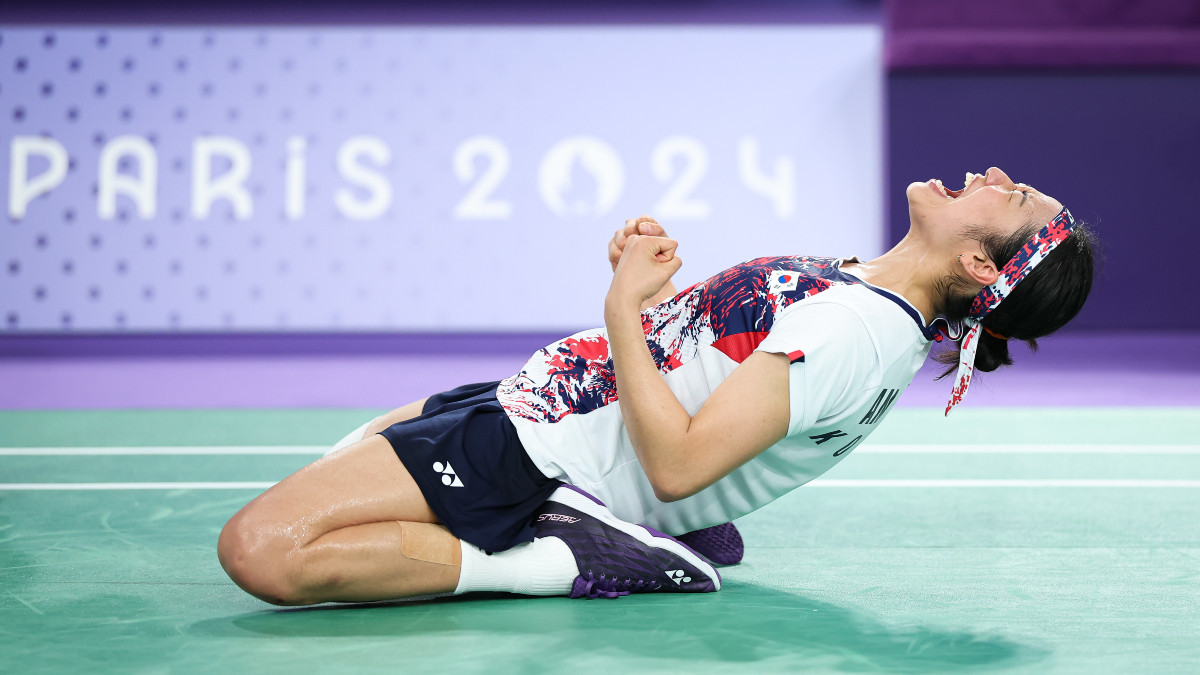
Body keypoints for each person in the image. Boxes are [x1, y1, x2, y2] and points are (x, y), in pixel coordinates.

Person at [217, 166, 1096, 605]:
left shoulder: (853, 332)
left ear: (980, 262)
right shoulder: (868, 303)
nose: (988, 172)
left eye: (1008, 192)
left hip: (543, 449)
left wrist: (622, 306)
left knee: (263, 548)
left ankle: (564, 558)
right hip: (542, 401)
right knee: (356, 446)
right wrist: (651, 291)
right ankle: (606, 533)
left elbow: (678, 463)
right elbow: (703, 366)